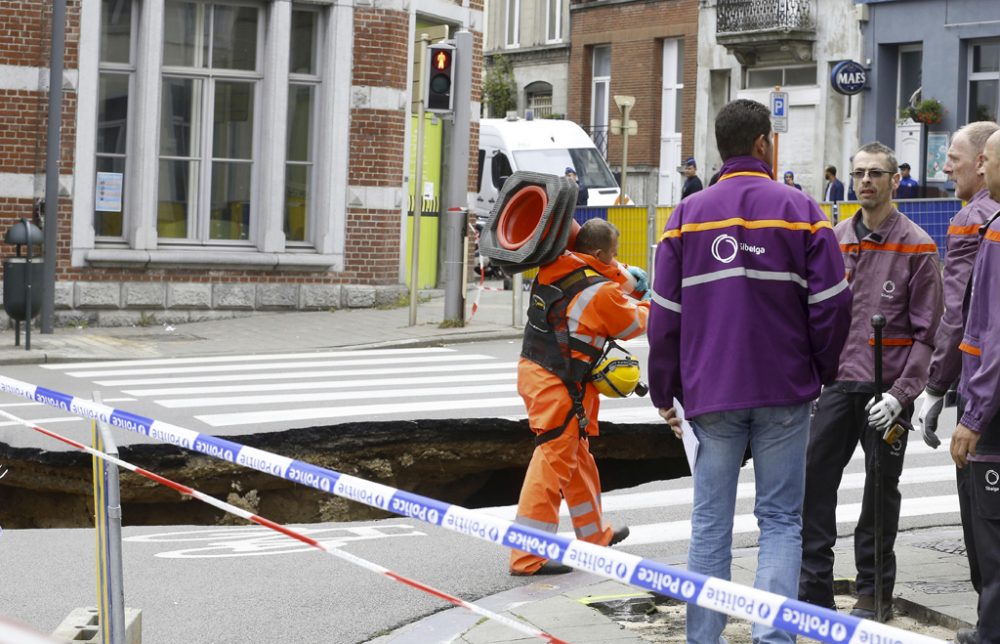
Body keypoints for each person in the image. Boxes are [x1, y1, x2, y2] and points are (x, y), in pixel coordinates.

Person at [648, 98, 852, 644]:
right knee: (782, 522)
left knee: (710, 525)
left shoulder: (686, 217)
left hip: (711, 393)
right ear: (763, 143)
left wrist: (664, 388)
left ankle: (704, 639)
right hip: (785, 391)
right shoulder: (804, 210)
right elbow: (832, 304)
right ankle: (773, 638)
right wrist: (821, 369)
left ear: (721, 147)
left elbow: (664, 312)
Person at [799, 142, 943, 622]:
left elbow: (929, 334)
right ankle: (813, 588)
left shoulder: (918, 245)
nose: (865, 181)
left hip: (887, 392)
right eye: (859, 173)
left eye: (875, 173)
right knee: (814, 485)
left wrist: (902, 397)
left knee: (880, 496)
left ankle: (873, 595)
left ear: (894, 179)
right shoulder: (834, 238)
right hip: (840, 385)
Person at [509, 218, 649, 576]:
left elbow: (594, 269)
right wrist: (650, 299)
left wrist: (619, 273)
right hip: (558, 385)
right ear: (600, 254)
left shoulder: (555, 266)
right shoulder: (598, 293)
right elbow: (633, 323)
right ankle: (527, 556)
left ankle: (594, 536)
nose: (618, 261)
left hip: (544, 375)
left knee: (576, 457)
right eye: (614, 255)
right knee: (553, 461)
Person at [942, 126, 1000, 644]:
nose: (947, 167)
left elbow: (973, 323)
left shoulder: (979, 223)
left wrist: (968, 410)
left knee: (989, 528)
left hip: (991, 406)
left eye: (986, 161)